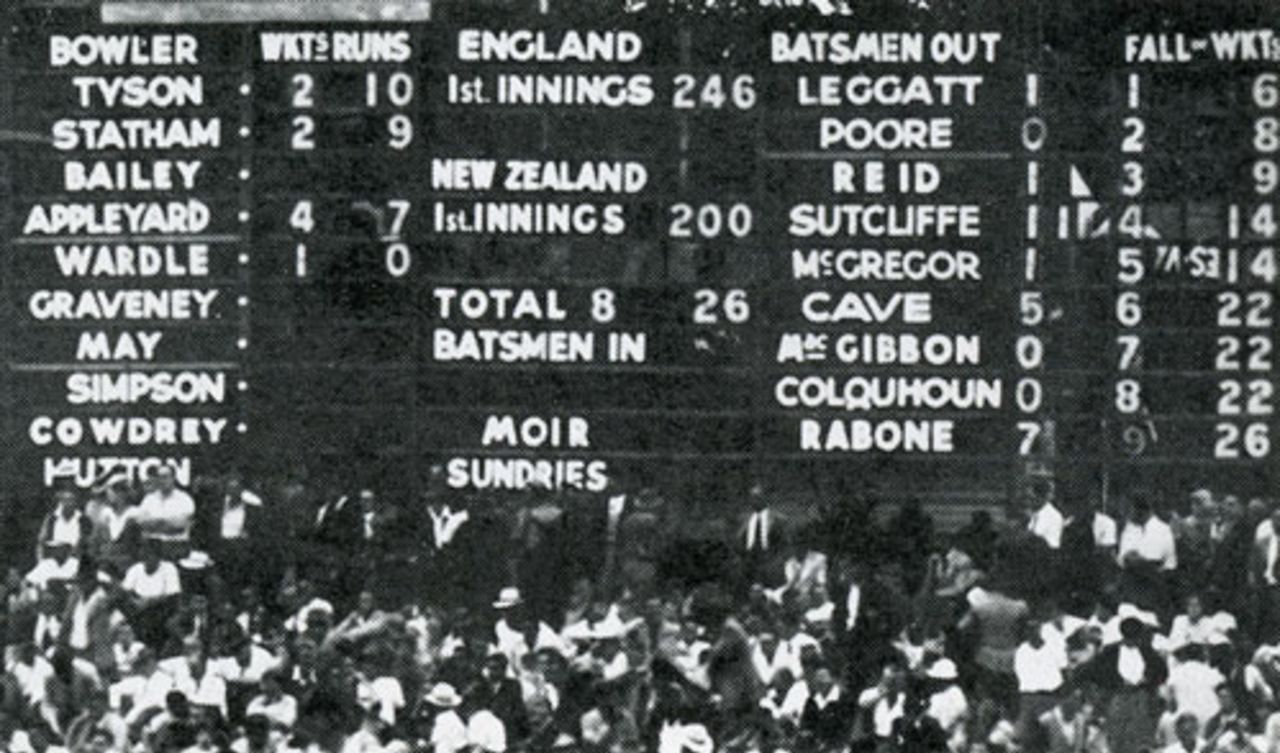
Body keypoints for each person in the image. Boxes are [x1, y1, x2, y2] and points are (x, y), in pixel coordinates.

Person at [135, 466, 197, 552]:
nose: (161, 481)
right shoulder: (148, 499)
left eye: (165, 477)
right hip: (152, 549)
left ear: (173, 478)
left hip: (175, 547)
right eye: (159, 477)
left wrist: (154, 523)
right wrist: (167, 522)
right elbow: (142, 523)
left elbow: (180, 526)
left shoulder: (185, 499)